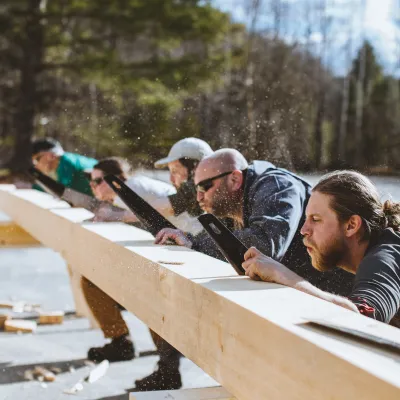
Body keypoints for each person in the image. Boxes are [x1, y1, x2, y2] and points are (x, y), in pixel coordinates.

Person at [83, 138, 213, 392]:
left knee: (152, 292)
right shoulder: (190, 188)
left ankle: (167, 368)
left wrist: (115, 215)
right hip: (190, 248)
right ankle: (143, 354)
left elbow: (164, 208)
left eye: (176, 171)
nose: (172, 178)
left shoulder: (197, 187)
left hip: (201, 257)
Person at [156, 149, 353, 295]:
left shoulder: (277, 186)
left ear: (234, 179)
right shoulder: (233, 202)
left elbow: (264, 246)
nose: (199, 198)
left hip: (350, 299)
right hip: (310, 293)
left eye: (205, 187)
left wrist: (195, 243)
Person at [242, 171, 400, 328]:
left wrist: (282, 275)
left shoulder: (384, 258)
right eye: (306, 219)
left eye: (315, 219)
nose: (303, 230)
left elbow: (360, 321)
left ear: (351, 225)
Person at [31, 138, 97, 195]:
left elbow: (61, 193)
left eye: (37, 159)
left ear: (50, 155)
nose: (35, 165)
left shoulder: (67, 165)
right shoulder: (64, 162)